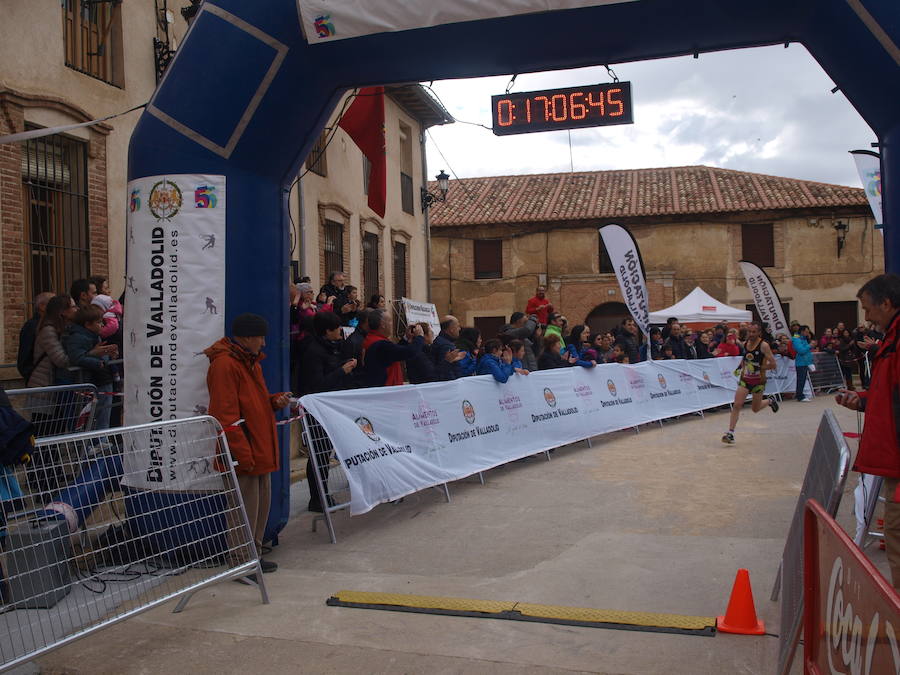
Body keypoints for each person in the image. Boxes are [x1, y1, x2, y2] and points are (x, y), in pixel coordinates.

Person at [205, 313, 289, 572]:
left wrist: (274, 401)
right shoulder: (225, 365)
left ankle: (253, 551)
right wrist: (241, 454)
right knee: (244, 507)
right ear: (248, 337)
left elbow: (254, 402)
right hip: (246, 450)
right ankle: (241, 559)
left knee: (259, 504)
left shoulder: (251, 363)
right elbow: (225, 414)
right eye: (261, 337)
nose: (264, 343)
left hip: (258, 447)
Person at [835, 274, 900, 588]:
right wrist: (861, 401)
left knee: (896, 533)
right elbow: (888, 394)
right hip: (892, 460)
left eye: (868, 309)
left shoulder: (897, 340)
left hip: (897, 463)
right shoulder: (890, 338)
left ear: (886, 303)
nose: (867, 317)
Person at [301, 311, 357, 513]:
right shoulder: (314, 351)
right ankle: (317, 498)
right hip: (317, 410)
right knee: (319, 454)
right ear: (327, 331)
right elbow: (317, 384)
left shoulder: (334, 347)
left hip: (331, 408)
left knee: (326, 454)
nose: (340, 332)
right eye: (336, 329)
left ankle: (323, 496)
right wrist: (342, 371)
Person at [722, 321, 779, 444]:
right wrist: (739, 369)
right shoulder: (745, 343)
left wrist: (760, 368)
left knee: (755, 409)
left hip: (759, 381)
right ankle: (730, 433)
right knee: (737, 404)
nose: (751, 334)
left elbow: (774, 364)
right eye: (749, 331)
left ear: (759, 332)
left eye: (754, 332)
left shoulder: (764, 346)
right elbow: (745, 359)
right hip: (745, 380)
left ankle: (770, 401)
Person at [63, 306, 118, 430]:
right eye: (98, 322)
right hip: (90, 381)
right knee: (89, 417)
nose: (102, 325)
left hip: (102, 379)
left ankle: (100, 442)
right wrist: (97, 362)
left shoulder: (94, 336)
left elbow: (97, 353)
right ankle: (91, 444)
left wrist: (108, 355)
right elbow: (77, 357)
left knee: (104, 415)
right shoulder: (78, 337)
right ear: (88, 324)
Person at [359, 310, 423, 387]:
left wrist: (406, 337)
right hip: (387, 390)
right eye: (390, 321)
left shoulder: (373, 339)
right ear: (382, 324)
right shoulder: (381, 344)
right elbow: (408, 352)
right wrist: (419, 337)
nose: (392, 324)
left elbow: (394, 353)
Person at [17, 291, 53, 382]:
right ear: (42, 306)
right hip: (38, 380)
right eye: (54, 303)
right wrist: (32, 375)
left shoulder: (53, 324)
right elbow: (25, 358)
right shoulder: (31, 326)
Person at [432, 316, 464, 380]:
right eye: (458, 326)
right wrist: (455, 383)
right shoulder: (445, 345)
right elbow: (447, 369)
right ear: (451, 329)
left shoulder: (442, 341)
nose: (459, 329)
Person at [792, 325, 813, 402]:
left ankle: (800, 394)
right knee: (801, 379)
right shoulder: (796, 339)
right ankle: (800, 396)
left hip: (805, 362)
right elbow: (801, 350)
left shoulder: (804, 339)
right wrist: (809, 346)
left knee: (803, 379)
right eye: (806, 331)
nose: (807, 333)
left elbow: (806, 350)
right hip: (800, 362)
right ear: (802, 331)